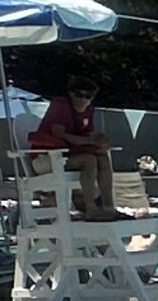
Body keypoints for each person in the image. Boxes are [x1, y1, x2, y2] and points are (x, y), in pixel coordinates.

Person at [27, 79, 114, 217]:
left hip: (67, 157)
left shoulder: (88, 111)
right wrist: (90, 141)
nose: (83, 100)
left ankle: (109, 207)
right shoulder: (60, 106)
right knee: (89, 159)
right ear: (71, 94)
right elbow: (59, 133)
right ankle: (91, 208)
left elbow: (89, 135)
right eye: (79, 95)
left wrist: (99, 142)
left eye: (87, 96)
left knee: (102, 158)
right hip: (44, 159)